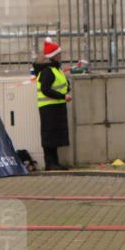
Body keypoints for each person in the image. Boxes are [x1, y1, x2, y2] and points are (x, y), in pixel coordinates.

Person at [33, 38, 71, 171]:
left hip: (56, 107)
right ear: (53, 56)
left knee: (54, 136)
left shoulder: (56, 69)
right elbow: (45, 89)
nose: (60, 56)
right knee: (49, 135)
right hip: (49, 108)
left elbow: (62, 84)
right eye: (58, 54)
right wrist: (62, 96)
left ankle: (55, 162)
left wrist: (66, 89)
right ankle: (50, 163)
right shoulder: (48, 71)